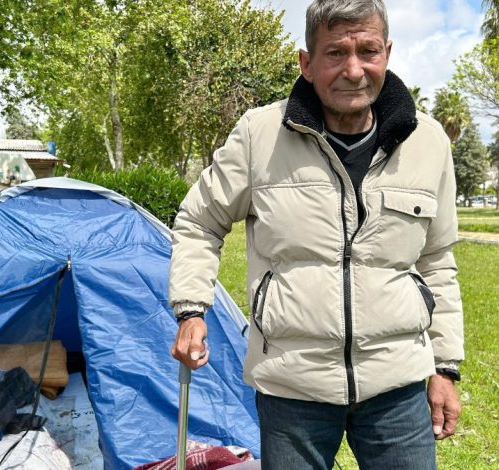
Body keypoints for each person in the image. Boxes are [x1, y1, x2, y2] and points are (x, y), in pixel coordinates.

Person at [168, 0, 464, 468]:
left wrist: (445, 367)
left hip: (398, 384)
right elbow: (199, 222)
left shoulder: (427, 142)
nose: (354, 70)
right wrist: (191, 309)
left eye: (368, 51)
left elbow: (437, 261)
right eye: (335, 53)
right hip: (291, 385)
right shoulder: (258, 136)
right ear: (306, 64)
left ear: (387, 53)